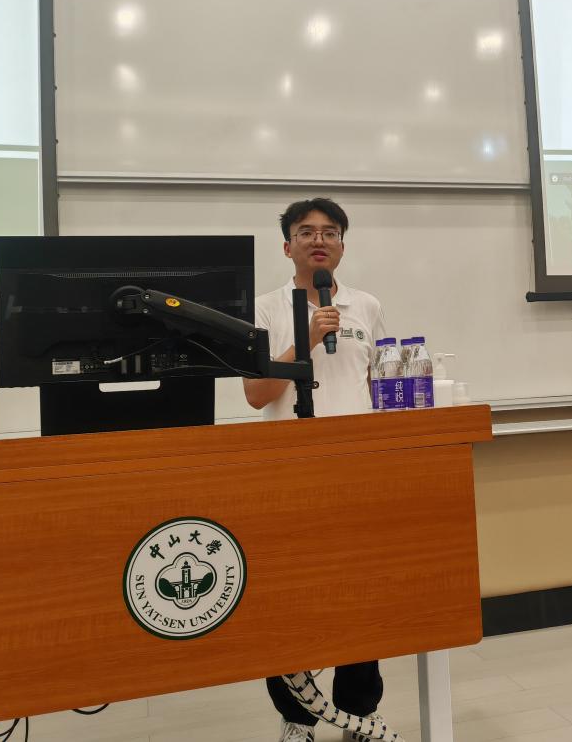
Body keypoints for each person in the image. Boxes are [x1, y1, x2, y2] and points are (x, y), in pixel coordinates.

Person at [244, 197, 387, 742]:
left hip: (357, 471)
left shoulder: (366, 305)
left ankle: (359, 713)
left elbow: (376, 384)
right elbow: (256, 394)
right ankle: (297, 718)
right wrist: (304, 337)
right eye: (306, 232)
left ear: (342, 246)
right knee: (288, 599)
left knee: (362, 594)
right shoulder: (263, 309)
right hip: (289, 475)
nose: (319, 239)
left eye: (330, 232)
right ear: (288, 247)